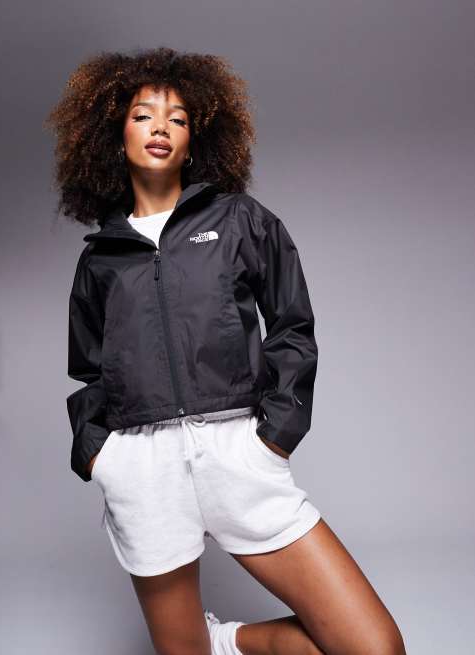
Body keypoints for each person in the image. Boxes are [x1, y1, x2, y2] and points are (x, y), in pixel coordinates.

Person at [45, 46, 406, 655]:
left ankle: (229, 640)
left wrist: (275, 435)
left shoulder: (240, 220)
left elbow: (292, 324)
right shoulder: (101, 258)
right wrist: (100, 456)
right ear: (115, 138)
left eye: (178, 118)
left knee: (373, 647)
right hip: (143, 469)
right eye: (143, 115)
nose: (160, 127)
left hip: (237, 452)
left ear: (194, 142)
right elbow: (89, 370)